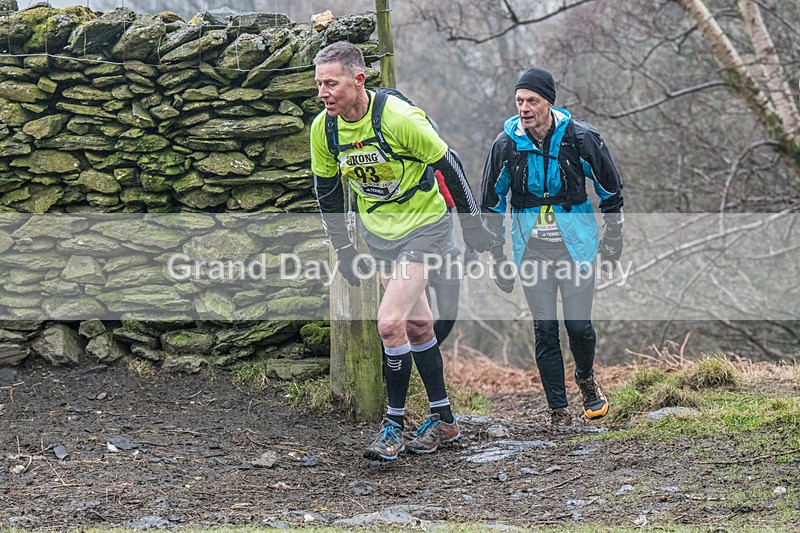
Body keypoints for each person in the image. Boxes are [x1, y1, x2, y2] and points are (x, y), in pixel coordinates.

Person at [310, 41, 496, 460]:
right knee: (417, 327)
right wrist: (342, 247)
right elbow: (326, 190)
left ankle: (392, 426)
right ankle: (445, 420)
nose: (323, 93)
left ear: (358, 80)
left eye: (331, 83)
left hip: (425, 228)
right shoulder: (325, 129)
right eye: (319, 84)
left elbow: (450, 164)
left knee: (389, 323)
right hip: (379, 234)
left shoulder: (398, 118)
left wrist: (474, 229)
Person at [480, 67, 624, 428]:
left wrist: (613, 238)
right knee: (544, 329)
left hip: (576, 247)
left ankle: (587, 380)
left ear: (549, 103)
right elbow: (492, 205)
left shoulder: (581, 138)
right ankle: (558, 409)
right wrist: (498, 257)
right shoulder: (506, 145)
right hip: (532, 251)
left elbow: (610, 190)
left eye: (533, 101)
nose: (525, 108)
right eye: (519, 101)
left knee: (579, 327)